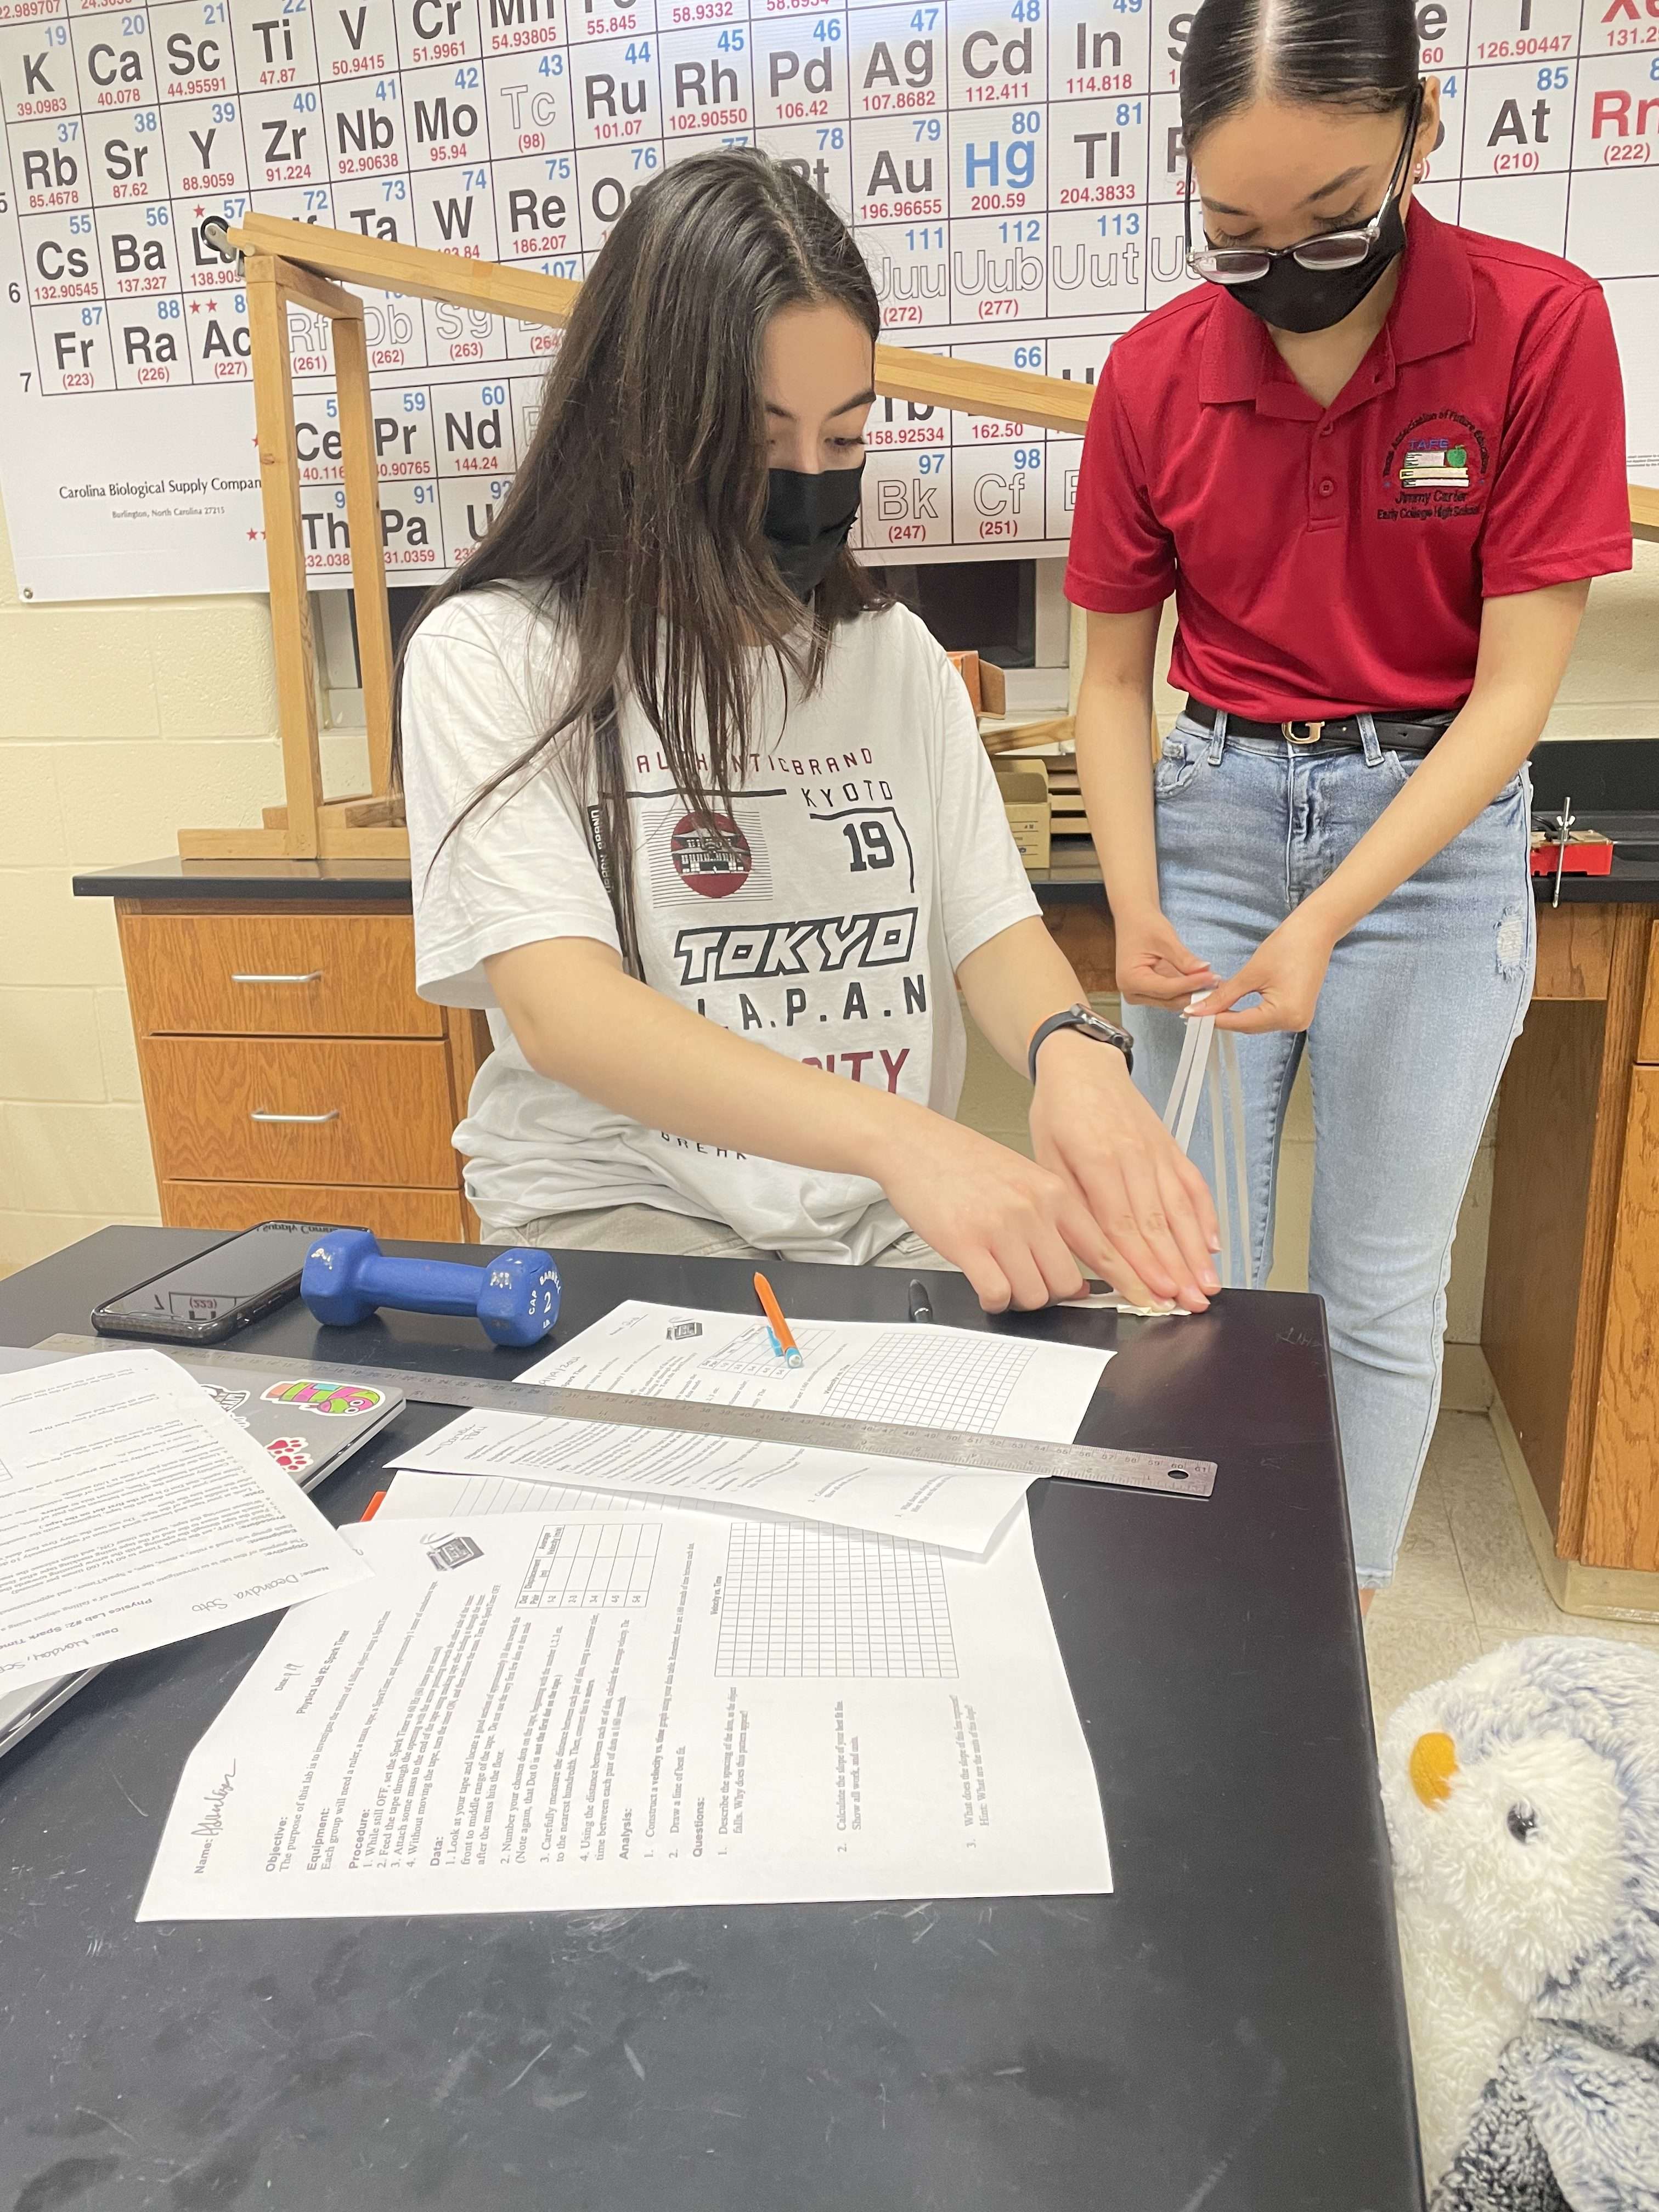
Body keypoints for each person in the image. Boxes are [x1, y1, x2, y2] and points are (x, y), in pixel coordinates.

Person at [399, 150, 1219, 1316]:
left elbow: (989, 928)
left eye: (843, 442)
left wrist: (1072, 1053)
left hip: (872, 1222)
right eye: (759, 440)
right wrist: (905, 1141)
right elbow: (563, 1010)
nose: (805, 486)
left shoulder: (895, 661)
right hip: (623, 1214)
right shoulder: (492, 657)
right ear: (635, 424)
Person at [1065, 0, 1632, 1596]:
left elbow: (1515, 694)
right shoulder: (1154, 375)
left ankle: (1330, 1642)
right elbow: (1114, 680)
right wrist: (1136, 903)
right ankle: (1208, 1624)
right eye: (1235, 229)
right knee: (1197, 1281)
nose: (1285, 263)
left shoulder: (1540, 325)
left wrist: (1332, 911)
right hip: (1217, 815)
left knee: (1378, 1294)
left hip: (1432, 841)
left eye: (1334, 217)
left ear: (1421, 133)